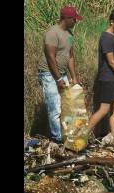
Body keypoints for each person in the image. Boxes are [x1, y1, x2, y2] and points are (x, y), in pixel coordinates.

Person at [37, 6, 82, 143]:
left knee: (69, 105)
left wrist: (73, 76)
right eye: (74, 19)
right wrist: (57, 78)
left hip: (61, 74)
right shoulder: (52, 33)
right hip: (49, 74)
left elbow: (70, 56)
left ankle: (70, 136)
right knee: (55, 108)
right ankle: (57, 139)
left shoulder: (69, 35)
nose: (76, 22)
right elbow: (50, 56)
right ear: (66, 19)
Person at [85, 9, 114, 136]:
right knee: (104, 109)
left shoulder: (113, 36)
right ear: (112, 22)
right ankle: (82, 136)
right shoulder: (106, 37)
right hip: (107, 78)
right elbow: (111, 61)